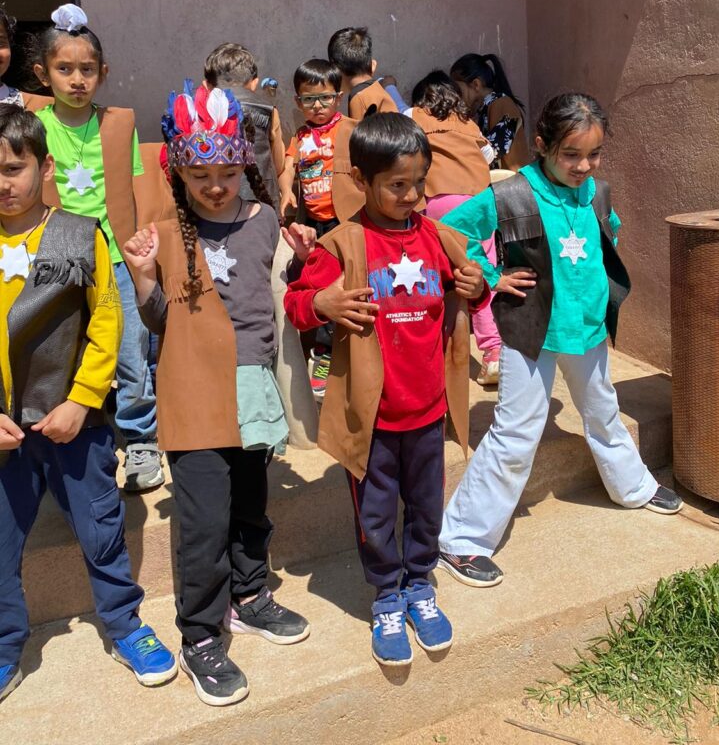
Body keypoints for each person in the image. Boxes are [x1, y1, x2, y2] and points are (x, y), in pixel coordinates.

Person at [435, 93, 683, 589]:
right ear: (542, 145)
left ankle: (632, 486)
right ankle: (461, 538)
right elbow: (448, 231)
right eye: (571, 154)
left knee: (602, 410)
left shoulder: (597, 192)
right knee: (516, 431)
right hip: (530, 330)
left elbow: (608, 234)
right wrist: (490, 275)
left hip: (585, 327)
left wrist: (597, 284)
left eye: (594, 154)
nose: (583, 166)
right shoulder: (511, 195)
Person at [123, 82, 311, 707]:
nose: (215, 185)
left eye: (226, 173)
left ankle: (250, 595)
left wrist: (302, 260)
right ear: (179, 173)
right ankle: (201, 634)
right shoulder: (165, 232)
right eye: (199, 174)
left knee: (250, 503)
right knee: (203, 523)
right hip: (195, 390)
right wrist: (144, 277)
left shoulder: (265, 223)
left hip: (254, 386)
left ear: (244, 167)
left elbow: (284, 297)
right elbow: (159, 320)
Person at [284, 112, 487, 668]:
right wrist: (321, 303)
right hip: (372, 420)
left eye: (419, 182)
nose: (412, 195)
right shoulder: (341, 246)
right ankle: (387, 596)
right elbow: (297, 305)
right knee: (375, 515)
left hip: (427, 410)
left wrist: (477, 286)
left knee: (426, 506)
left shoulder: (440, 239)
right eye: (398, 184)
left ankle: (420, 583)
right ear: (360, 179)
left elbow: (473, 290)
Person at [0, 105, 176, 704]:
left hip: (76, 422)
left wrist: (81, 400)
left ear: (45, 167)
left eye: (15, 168)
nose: (4, 183)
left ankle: (125, 624)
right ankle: (5, 644)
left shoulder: (80, 233)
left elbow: (106, 322)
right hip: (4, 432)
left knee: (101, 529)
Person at [27, 4, 161, 492]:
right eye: (64, 69)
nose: (77, 79)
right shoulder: (34, 124)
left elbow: (138, 185)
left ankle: (142, 438)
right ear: (43, 74)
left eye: (87, 69)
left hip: (117, 256)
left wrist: (144, 242)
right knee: (68, 348)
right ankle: (77, 437)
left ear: (103, 73)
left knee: (130, 350)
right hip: (60, 257)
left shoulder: (118, 124)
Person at [410, 70, 502, 385]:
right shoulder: (467, 122)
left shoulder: (413, 115)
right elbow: (489, 154)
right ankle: (494, 352)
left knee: (437, 274)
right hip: (480, 201)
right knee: (481, 272)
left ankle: (436, 348)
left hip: (438, 201)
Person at [279, 59, 347, 399]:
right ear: (298, 101)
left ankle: (335, 351)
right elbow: (288, 166)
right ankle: (323, 353)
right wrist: (285, 192)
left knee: (346, 282)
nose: (317, 106)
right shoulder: (301, 136)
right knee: (320, 284)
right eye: (309, 99)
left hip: (344, 221)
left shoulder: (347, 130)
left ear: (339, 98)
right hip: (315, 225)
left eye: (325, 98)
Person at [203, 42, 285, 209]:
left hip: (216, 203)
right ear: (254, 83)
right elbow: (278, 163)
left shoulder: (200, 112)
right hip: (263, 202)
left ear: (207, 86)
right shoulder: (268, 110)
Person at [450, 53, 528, 171]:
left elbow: (490, 154)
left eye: (458, 90)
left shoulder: (503, 103)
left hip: (512, 181)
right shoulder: (484, 109)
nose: (456, 97)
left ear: (476, 84)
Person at [327, 27, 399, 121]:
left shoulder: (359, 97)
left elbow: (359, 130)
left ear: (336, 69)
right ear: (372, 65)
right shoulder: (377, 88)